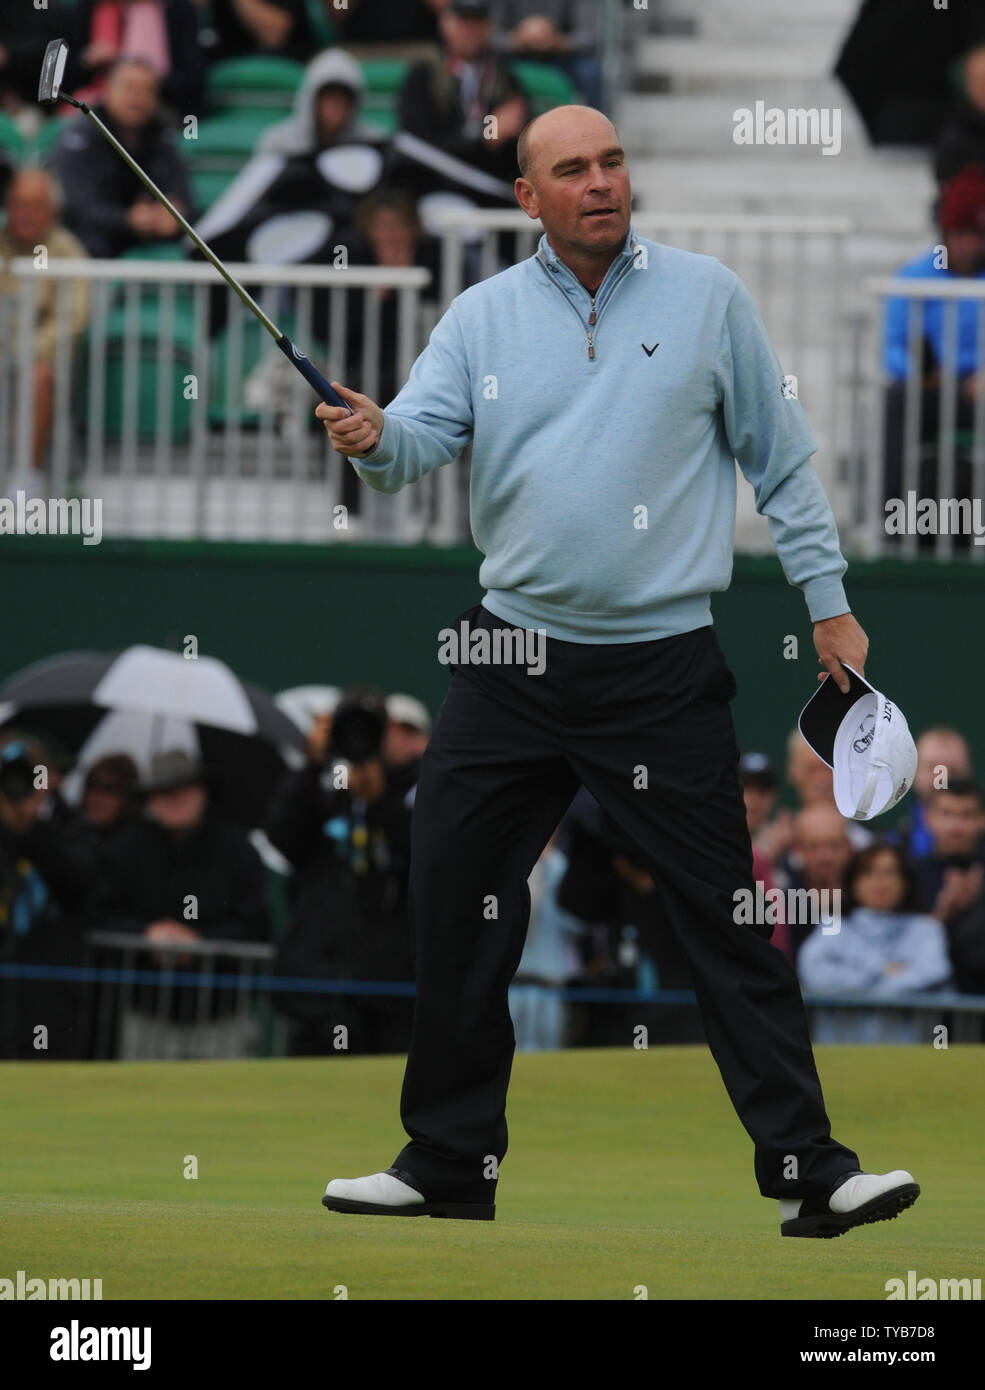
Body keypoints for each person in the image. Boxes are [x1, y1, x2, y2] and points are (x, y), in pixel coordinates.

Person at [315, 104, 918, 1237]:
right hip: (509, 655)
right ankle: (449, 1159)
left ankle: (811, 1170)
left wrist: (827, 609)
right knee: (453, 894)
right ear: (526, 198)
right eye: (570, 170)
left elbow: (781, 466)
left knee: (728, 918)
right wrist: (369, 435)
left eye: (611, 162)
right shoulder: (481, 315)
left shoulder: (707, 297)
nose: (599, 183)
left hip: (657, 666)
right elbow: (411, 450)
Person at [264, 688, 418, 1056]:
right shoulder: (324, 792)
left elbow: (421, 864)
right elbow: (282, 839)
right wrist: (312, 766)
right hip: (318, 987)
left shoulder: (413, 790)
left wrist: (380, 801)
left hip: (390, 993)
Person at [89, 749, 269, 1059]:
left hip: (220, 1017)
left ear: (203, 793)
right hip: (147, 1014)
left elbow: (257, 926)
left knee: (221, 1104)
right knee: (144, 1103)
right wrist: (148, 934)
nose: (175, 798)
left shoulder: (237, 851)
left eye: (184, 788)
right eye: (164, 791)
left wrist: (200, 942)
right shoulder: (128, 850)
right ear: (150, 800)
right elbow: (100, 914)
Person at [882, 164, 985, 526]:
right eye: (961, 234)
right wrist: (920, 374)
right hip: (930, 390)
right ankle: (891, 526)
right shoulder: (914, 276)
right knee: (895, 400)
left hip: (979, 392)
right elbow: (892, 347)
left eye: (977, 235)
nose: (969, 245)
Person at [798, 844, 952, 1043]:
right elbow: (812, 971)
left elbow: (934, 972)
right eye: (869, 872)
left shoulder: (926, 929)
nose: (880, 881)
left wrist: (862, 988)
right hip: (842, 1054)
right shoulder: (833, 925)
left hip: (910, 1053)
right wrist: (880, 969)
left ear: (905, 881)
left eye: (890, 872)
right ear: (853, 882)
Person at [49, 58, 192, 259]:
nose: (138, 98)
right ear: (107, 90)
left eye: (147, 90)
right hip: (93, 238)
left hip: (147, 235)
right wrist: (126, 219)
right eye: (130, 88)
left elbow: (180, 193)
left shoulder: (162, 135)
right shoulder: (80, 137)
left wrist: (175, 214)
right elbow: (75, 206)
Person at [0, 170, 91, 478]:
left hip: (41, 359)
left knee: (37, 377)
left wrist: (21, 352)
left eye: (35, 205)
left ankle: (25, 479)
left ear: (53, 210)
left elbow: (72, 318)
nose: (24, 213)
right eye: (17, 204)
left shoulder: (68, 251)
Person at [398, 0, 531, 187]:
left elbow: (517, 135)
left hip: (493, 184)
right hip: (436, 183)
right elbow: (419, 144)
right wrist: (486, 138)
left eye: (477, 23)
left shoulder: (503, 75)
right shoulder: (425, 74)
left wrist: (488, 138)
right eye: (462, 22)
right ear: (444, 24)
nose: (470, 30)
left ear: (489, 27)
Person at [66, 0, 206, 117]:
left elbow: (191, 80)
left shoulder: (179, 11)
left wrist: (143, 84)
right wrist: (86, 60)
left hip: (162, 105)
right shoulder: (91, 9)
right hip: (100, 101)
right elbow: (67, 78)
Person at [913, 778, 985, 995]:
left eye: (966, 815)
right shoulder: (908, 876)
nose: (956, 826)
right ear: (928, 818)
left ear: (981, 819)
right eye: (946, 814)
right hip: (923, 1006)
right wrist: (942, 915)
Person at [490, 0, 603, 111]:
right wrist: (519, 38)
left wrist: (555, 40)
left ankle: (597, 125)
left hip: (561, 56)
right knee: (487, 70)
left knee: (589, 72)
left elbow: (588, 37)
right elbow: (489, 36)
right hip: (515, 56)